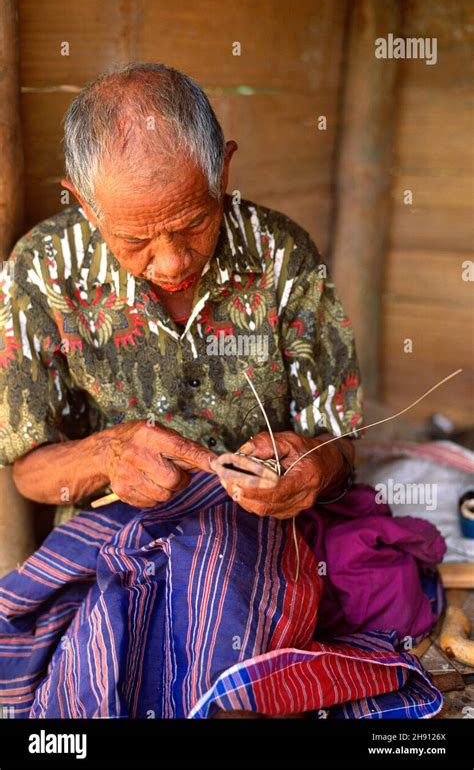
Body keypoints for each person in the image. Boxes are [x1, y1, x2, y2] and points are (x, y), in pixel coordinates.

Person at [0, 63, 443, 719]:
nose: (173, 261)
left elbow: (340, 442)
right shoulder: (41, 270)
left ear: (224, 169)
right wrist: (108, 454)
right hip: (112, 522)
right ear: (83, 202)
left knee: (209, 624)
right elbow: (30, 471)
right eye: (135, 240)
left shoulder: (281, 254)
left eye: (194, 221)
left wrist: (310, 463)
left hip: (258, 523)